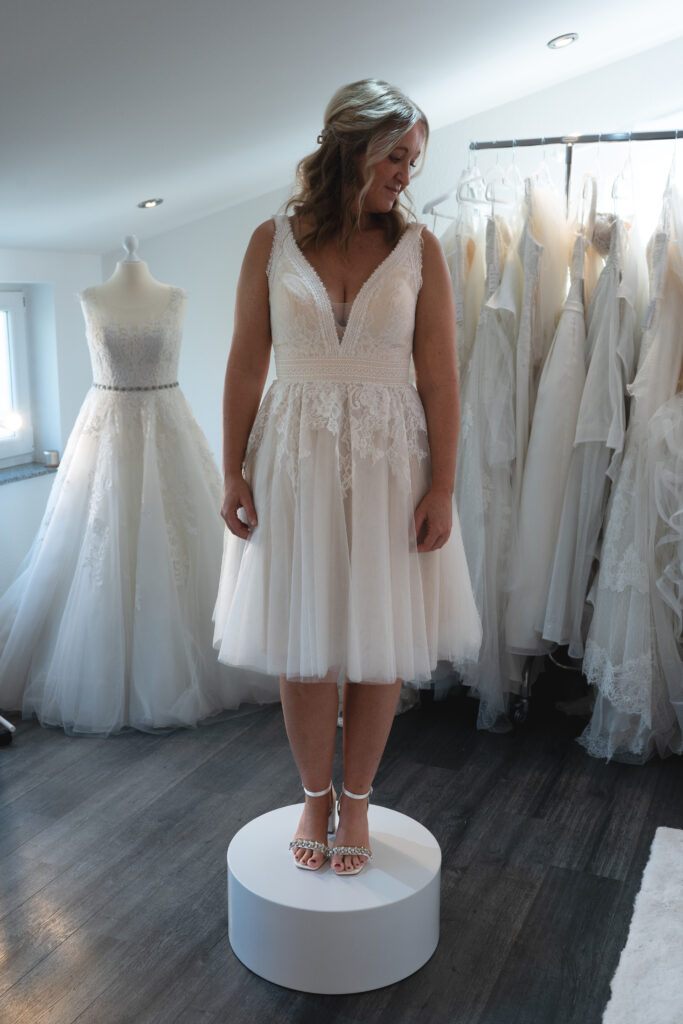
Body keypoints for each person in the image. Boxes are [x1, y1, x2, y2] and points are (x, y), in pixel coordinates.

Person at [213, 79, 481, 875]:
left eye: (413, 159)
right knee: (303, 644)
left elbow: (440, 380)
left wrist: (442, 487)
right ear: (351, 144)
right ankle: (312, 794)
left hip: (390, 461)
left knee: (377, 638)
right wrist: (231, 469)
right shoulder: (270, 241)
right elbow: (244, 365)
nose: (406, 172)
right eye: (396, 154)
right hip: (292, 459)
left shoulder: (419, 248)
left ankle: (356, 800)